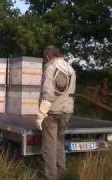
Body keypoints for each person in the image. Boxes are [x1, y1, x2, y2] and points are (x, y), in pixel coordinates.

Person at [36, 45, 76, 180]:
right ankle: (62, 173)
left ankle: (51, 177)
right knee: (60, 142)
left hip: (52, 112)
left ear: (48, 56)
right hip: (67, 112)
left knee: (49, 146)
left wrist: (41, 115)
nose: (44, 60)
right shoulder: (71, 69)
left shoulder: (51, 68)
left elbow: (48, 93)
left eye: (44, 57)